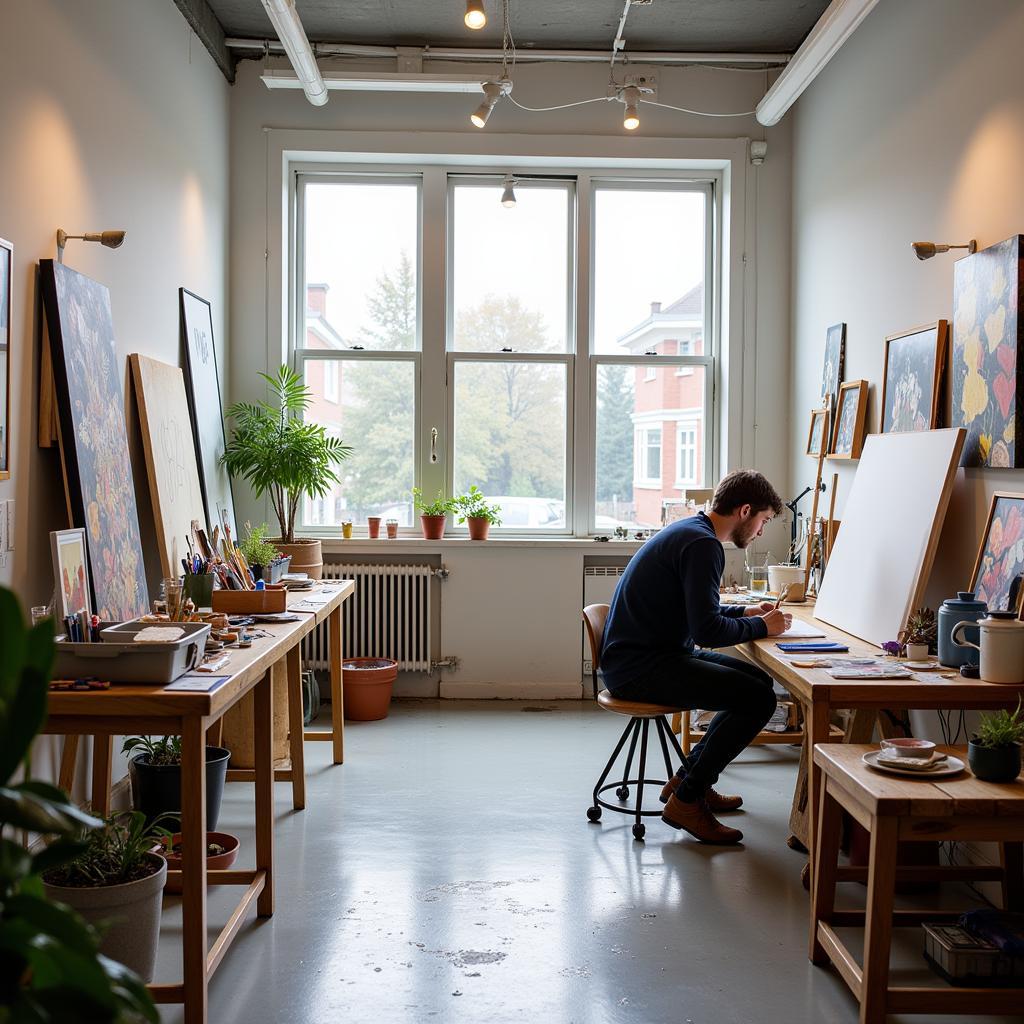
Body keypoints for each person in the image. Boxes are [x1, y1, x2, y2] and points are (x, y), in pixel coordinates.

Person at [599, 469, 790, 845]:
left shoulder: (692, 531)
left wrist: (747, 616)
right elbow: (707, 632)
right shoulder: (703, 546)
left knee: (759, 683)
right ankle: (688, 798)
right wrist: (762, 629)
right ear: (745, 510)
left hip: (644, 657)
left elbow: (698, 614)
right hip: (641, 669)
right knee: (757, 699)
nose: (761, 531)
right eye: (763, 521)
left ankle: (691, 780)